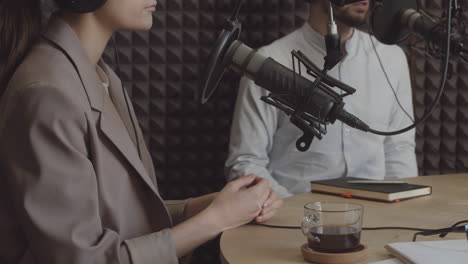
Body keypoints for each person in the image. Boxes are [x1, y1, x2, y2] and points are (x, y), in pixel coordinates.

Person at [0, 1, 283, 263]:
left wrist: (201, 207)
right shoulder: (48, 95)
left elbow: (118, 219)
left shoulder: (100, 76)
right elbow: (81, 258)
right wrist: (216, 220)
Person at [226, 0, 418, 198]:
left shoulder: (392, 58)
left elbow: (399, 150)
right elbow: (246, 162)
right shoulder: (267, 64)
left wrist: (403, 206)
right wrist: (291, 211)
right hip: (294, 216)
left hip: (376, 215)